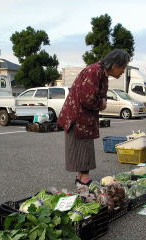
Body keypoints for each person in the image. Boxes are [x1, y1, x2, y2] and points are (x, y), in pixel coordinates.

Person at [57, 49, 131, 186]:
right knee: (82, 147)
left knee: (83, 146)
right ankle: (84, 178)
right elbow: (87, 99)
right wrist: (101, 103)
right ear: (114, 64)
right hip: (78, 117)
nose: (122, 71)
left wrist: (101, 100)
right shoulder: (95, 71)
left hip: (82, 116)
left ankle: (81, 177)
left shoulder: (101, 72)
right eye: (122, 67)